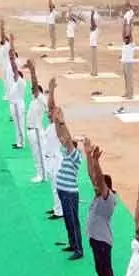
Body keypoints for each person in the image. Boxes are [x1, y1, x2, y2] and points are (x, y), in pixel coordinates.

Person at [84, 139, 118, 276]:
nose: (95, 186)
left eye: (99, 185)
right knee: (99, 267)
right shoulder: (99, 195)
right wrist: (88, 156)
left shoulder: (108, 199)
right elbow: (92, 175)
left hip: (103, 240)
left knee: (106, 268)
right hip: (95, 238)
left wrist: (97, 162)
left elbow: (98, 178)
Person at [51, 106, 84, 260]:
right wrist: (56, 121)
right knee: (68, 220)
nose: (64, 143)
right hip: (63, 191)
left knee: (73, 220)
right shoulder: (68, 153)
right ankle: (72, 243)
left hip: (70, 193)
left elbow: (67, 140)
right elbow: (60, 137)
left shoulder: (75, 156)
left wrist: (63, 122)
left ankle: (78, 249)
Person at [24, 60, 48, 182]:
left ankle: (43, 175)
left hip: (37, 131)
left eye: (34, 91)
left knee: (40, 153)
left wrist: (32, 71)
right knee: (35, 154)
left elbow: (34, 84)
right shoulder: (34, 100)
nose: (32, 92)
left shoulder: (41, 99)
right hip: (30, 131)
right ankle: (40, 173)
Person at [45, 78, 64, 220]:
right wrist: (51, 90)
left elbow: (51, 106)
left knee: (57, 187)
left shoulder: (58, 126)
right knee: (53, 186)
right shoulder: (51, 125)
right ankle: (56, 207)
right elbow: (50, 106)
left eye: (52, 113)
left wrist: (52, 91)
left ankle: (60, 211)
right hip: (50, 159)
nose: (49, 113)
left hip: (56, 159)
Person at [7, 36, 27, 150]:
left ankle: (21, 143)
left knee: (20, 124)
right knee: (16, 125)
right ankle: (18, 141)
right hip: (13, 105)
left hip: (18, 105)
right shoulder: (16, 83)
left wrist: (11, 59)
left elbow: (15, 69)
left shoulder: (21, 83)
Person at [121, 25, 136, 99]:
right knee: (126, 79)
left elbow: (131, 36)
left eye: (127, 39)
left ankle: (130, 94)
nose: (126, 40)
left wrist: (129, 26)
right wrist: (124, 26)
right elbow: (123, 34)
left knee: (129, 79)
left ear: (129, 40)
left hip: (129, 63)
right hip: (124, 63)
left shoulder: (132, 45)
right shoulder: (124, 44)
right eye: (125, 39)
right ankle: (127, 92)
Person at [89, 9, 100, 76]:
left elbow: (92, 23)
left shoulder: (95, 29)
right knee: (93, 61)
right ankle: (93, 72)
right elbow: (92, 23)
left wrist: (91, 15)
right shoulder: (93, 30)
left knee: (94, 60)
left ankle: (95, 72)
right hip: (92, 46)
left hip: (94, 46)